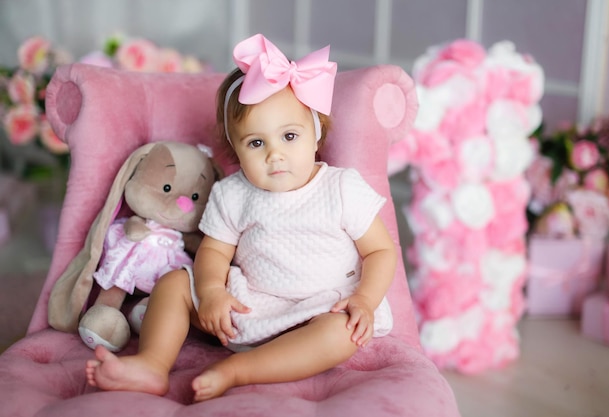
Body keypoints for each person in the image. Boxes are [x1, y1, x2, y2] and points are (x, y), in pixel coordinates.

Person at [85, 33, 397, 402]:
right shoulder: (233, 193)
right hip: (246, 306)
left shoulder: (341, 188)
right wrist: (212, 291)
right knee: (173, 284)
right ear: (235, 149)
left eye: (290, 136)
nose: (274, 155)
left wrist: (364, 299)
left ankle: (237, 371)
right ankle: (152, 364)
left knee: (343, 334)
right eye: (256, 143)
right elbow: (214, 253)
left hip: (319, 309)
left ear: (315, 135)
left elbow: (380, 252)